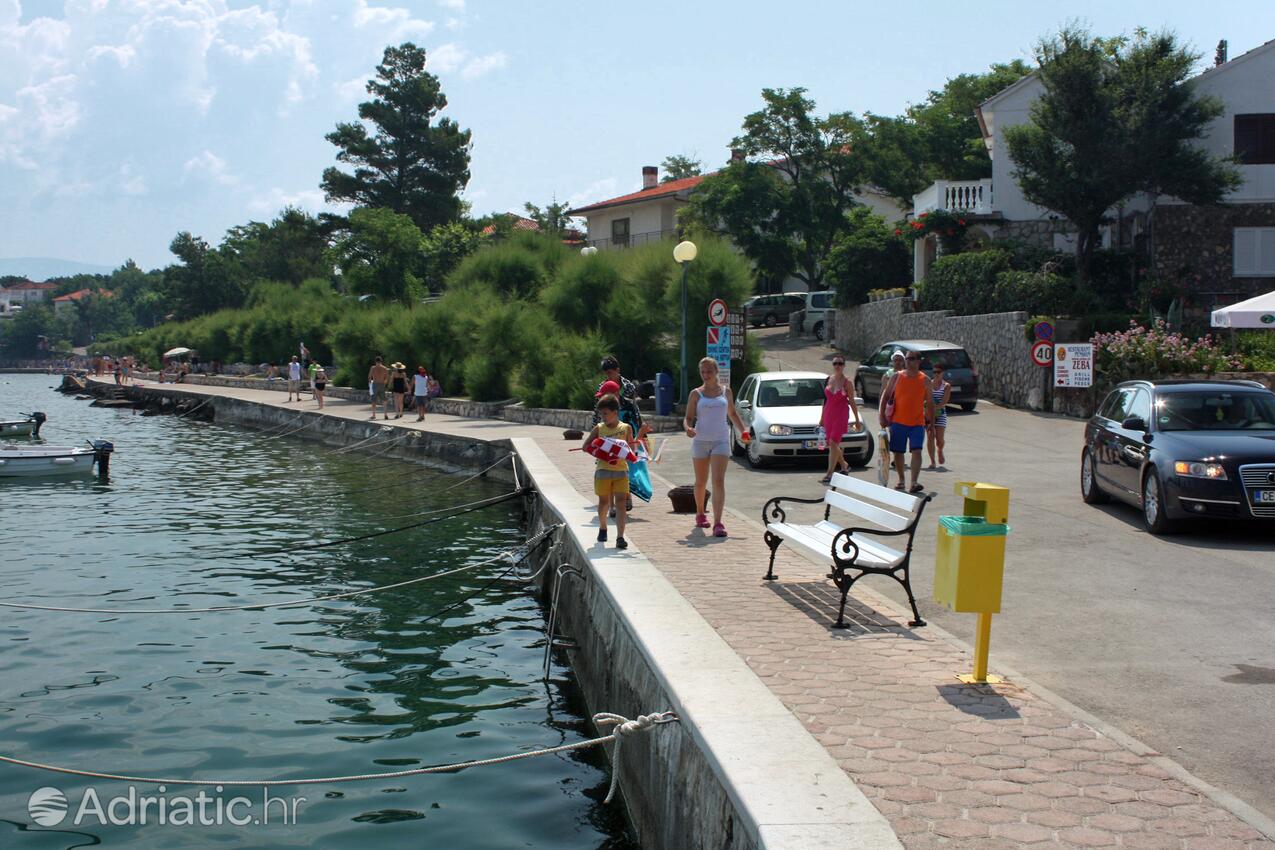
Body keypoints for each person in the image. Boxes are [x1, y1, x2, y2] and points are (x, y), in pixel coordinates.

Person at [684, 356, 748, 538]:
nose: (706, 375)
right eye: (703, 372)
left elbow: (733, 413)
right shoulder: (696, 394)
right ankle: (700, 513)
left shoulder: (726, 392)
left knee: (718, 480)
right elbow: (688, 418)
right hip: (700, 440)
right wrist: (688, 428)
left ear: (716, 372)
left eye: (709, 371)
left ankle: (718, 522)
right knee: (701, 481)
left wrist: (743, 431)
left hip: (721, 439)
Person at [592, 357, 644, 513]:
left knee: (624, 467)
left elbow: (634, 409)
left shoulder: (628, 387)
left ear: (618, 370)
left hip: (623, 432)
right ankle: (614, 504)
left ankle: (625, 496)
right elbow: (597, 410)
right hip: (607, 433)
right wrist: (595, 432)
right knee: (610, 464)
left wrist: (638, 432)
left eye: (611, 372)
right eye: (606, 373)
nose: (609, 375)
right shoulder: (603, 387)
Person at [583, 393, 633, 550]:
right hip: (603, 471)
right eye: (601, 414)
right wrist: (599, 449)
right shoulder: (599, 428)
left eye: (605, 413)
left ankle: (620, 537)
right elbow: (586, 446)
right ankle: (603, 527)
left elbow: (633, 449)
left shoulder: (626, 428)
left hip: (621, 472)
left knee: (620, 505)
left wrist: (626, 446)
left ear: (615, 412)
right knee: (604, 502)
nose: (602, 417)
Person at [888, 352, 935, 493]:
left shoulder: (925, 380)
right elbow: (886, 395)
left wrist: (931, 423)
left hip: (917, 423)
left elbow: (931, 403)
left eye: (912, 359)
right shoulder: (897, 377)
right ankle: (901, 480)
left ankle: (914, 482)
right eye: (907, 359)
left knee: (917, 451)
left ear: (918, 361)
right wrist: (882, 416)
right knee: (898, 452)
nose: (909, 361)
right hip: (898, 422)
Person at [819, 356, 863, 483]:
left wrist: (857, 420)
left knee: (833, 442)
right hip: (829, 415)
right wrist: (821, 417)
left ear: (844, 365)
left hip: (841, 415)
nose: (837, 366)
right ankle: (844, 465)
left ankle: (829, 474)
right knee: (832, 444)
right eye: (835, 363)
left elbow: (852, 402)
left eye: (840, 363)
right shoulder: (829, 379)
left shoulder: (847, 382)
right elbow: (825, 401)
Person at [926, 363, 952, 469]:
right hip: (928, 415)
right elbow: (925, 399)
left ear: (943, 373)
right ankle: (932, 461)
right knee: (930, 437)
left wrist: (934, 409)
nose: (936, 374)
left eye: (938, 372)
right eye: (934, 372)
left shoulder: (946, 386)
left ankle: (940, 450)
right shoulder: (929, 384)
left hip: (940, 415)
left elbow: (944, 402)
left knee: (940, 439)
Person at [877, 350, 907, 430]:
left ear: (903, 362)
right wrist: (881, 411)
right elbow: (883, 392)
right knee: (892, 428)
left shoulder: (907, 375)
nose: (898, 362)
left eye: (900, 360)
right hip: (890, 405)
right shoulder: (887, 375)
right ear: (892, 362)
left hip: (903, 405)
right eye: (895, 360)